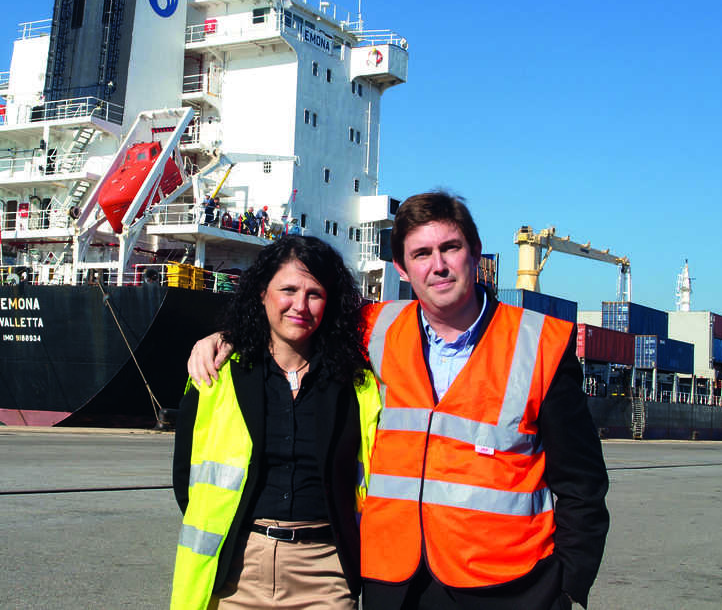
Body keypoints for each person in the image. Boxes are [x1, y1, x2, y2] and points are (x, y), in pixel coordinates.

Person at [186, 190, 609, 610]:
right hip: (395, 583)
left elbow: (583, 485)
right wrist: (226, 338)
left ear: (476, 253)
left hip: (510, 586)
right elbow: (296, 326)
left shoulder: (541, 345)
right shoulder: (375, 328)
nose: (438, 265)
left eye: (450, 248)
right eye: (421, 254)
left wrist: (568, 587)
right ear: (402, 269)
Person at [171, 235, 381, 610]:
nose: (300, 305)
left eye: (314, 294)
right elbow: (185, 479)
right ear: (262, 293)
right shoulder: (219, 376)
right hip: (237, 571)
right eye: (288, 290)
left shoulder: (357, 384)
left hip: (325, 574)